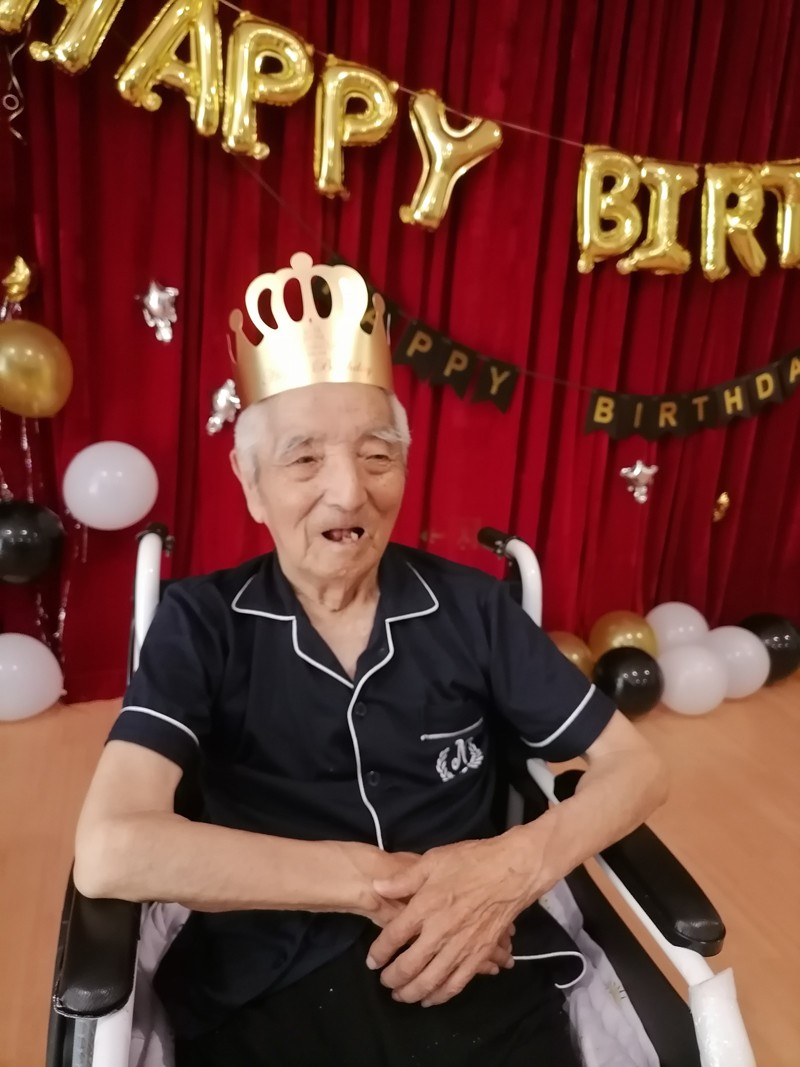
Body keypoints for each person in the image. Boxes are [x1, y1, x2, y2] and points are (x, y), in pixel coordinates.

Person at [74, 253, 668, 1066]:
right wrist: (370, 879)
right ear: (250, 482)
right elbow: (112, 847)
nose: (349, 491)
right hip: (268, 979)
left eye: (377, 454)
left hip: (474, 957)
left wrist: (510, 866)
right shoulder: (202, 621)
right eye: (304, 458)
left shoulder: (471, 607)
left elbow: (638, 768)